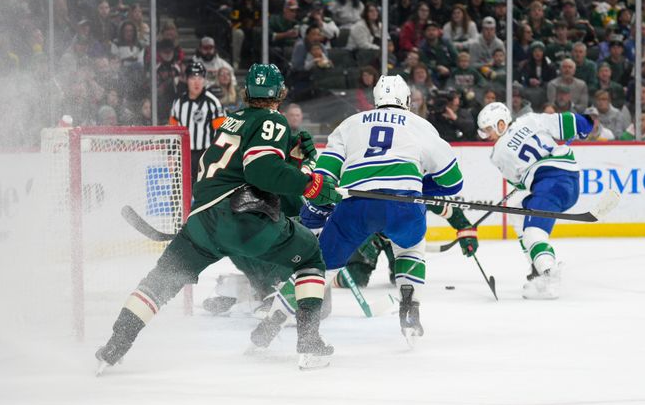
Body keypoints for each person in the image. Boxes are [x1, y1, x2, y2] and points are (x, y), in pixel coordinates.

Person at [96, 63, 339, 373]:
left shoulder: (232, 121)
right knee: (310, 256)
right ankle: (309, 344)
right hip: (243, 218)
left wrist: (296, 165)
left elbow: (273, 188)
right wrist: (311, 181)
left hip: (201, 220)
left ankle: (115, 346)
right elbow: (262, 172)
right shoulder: (273, 120)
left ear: (248, 93)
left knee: (158, 282)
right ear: (279, 94)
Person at [314, 76, 465, 342]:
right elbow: (453, 182)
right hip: (403, 205)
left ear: (376, 100)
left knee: (318, 265)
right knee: (410, 247)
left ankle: (281, 316)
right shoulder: (420, 125)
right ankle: (410, 304)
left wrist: (320, 206)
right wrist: (419, 187)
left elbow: (323, 174)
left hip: (356, 204)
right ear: (407, 100)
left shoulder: (350, 123)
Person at [476, 102, 592, 299]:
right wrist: (584, 128)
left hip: (550, 184)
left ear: (501, 124)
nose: (488, 136)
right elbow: (572, 122)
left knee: (533, 234)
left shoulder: (497, 155)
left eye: (489, 130)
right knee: (516, 209)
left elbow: (520, 183)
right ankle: (536, 265)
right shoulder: (531, 119)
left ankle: (549, 274)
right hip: (569, 179)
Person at [168, 61, 226, 184]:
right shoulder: (178, 103)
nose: (197, 82)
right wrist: (171, 155)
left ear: (204, 80)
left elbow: (222, 133)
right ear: (186, 80)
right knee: (178, 194)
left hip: (205, 156)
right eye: (193, 78)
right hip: (183, 156)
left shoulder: (212, 102)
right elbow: (173, 133)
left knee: (205, 195)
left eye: (200, 78)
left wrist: (218, 157)